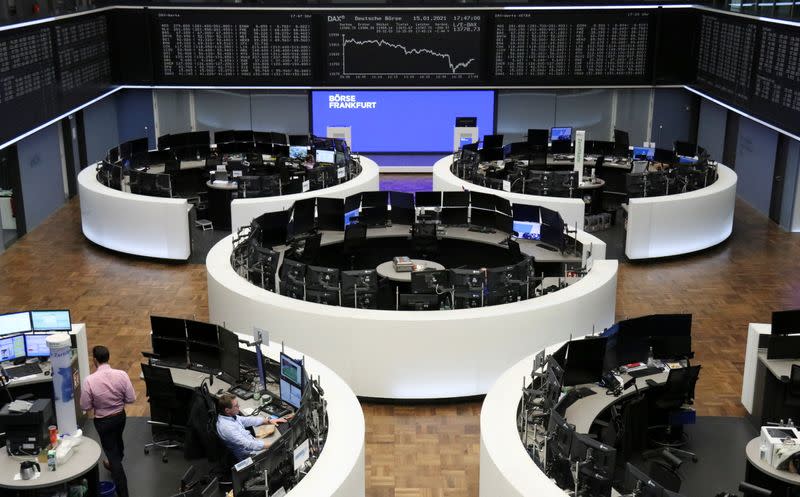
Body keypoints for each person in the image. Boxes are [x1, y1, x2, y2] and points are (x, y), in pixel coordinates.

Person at [79, 345, 135, 497]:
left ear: (95, 360)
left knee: (112, 453)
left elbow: (85, 405)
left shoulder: (89, 381)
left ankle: (123, 492)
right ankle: (114, 461)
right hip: (120, 418)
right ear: (108, 358)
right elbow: (131, 398)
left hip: (103, 422)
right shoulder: (122, 374)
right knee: (117, 440)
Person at [216, 393, 286, 462]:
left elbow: (247, 420)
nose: (239, 406)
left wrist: (268, 420)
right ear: (227, 410)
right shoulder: (227, 428)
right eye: (236, 406)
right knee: (282, 452)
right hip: (249, 455)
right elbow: (248, 444)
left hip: (252, 443)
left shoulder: (229, 416)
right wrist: (273, 445)